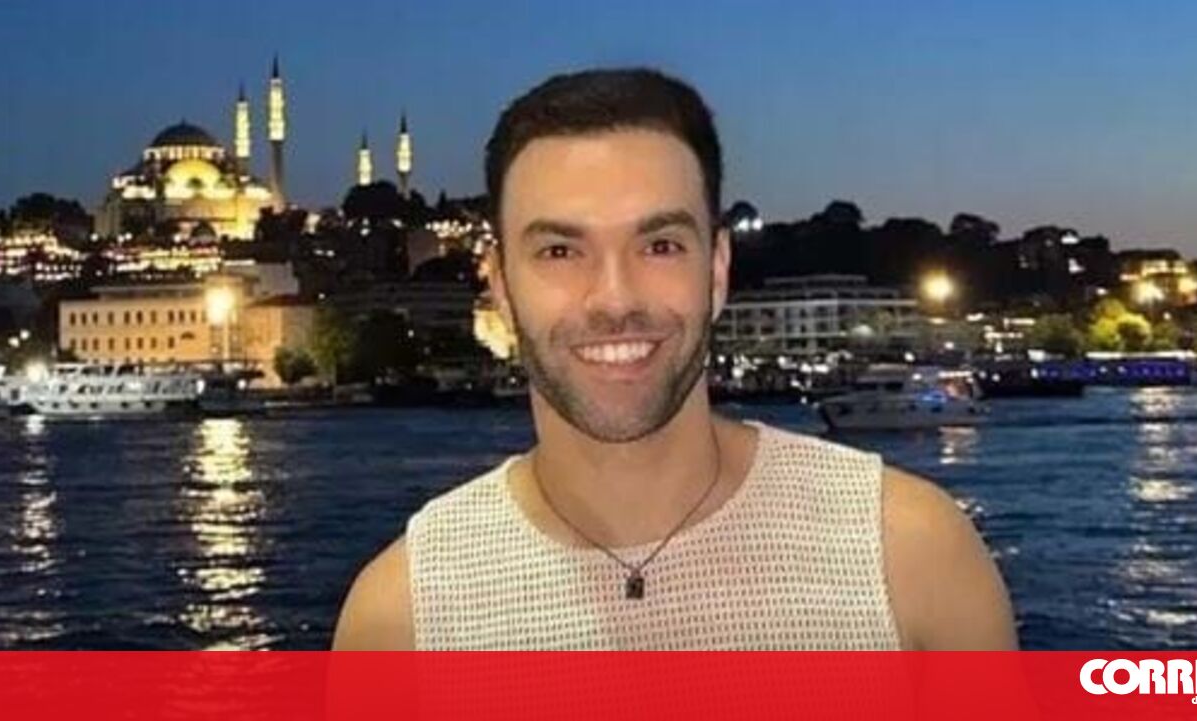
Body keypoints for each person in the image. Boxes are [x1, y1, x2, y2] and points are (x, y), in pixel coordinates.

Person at [332, 67, 1017, 650]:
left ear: (716, 270)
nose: (615, 298)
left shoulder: (911, 558)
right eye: (560, 251)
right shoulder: (400, 620)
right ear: (502, 287)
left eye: (659, 246)